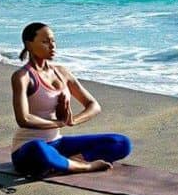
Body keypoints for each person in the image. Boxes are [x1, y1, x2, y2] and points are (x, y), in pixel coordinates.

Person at [10, 22, 131, 177]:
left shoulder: (62, 72)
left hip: (57, 143)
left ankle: (73, 161)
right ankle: (85, 167)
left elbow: (93, 105)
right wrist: (57, 123)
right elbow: (23, 118)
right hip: (27, 148)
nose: (52, 46)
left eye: (53, 41)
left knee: (121, 142)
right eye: (45, 42)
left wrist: (72, 120)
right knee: (38, 149)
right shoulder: (23, 77)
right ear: (29, 44)